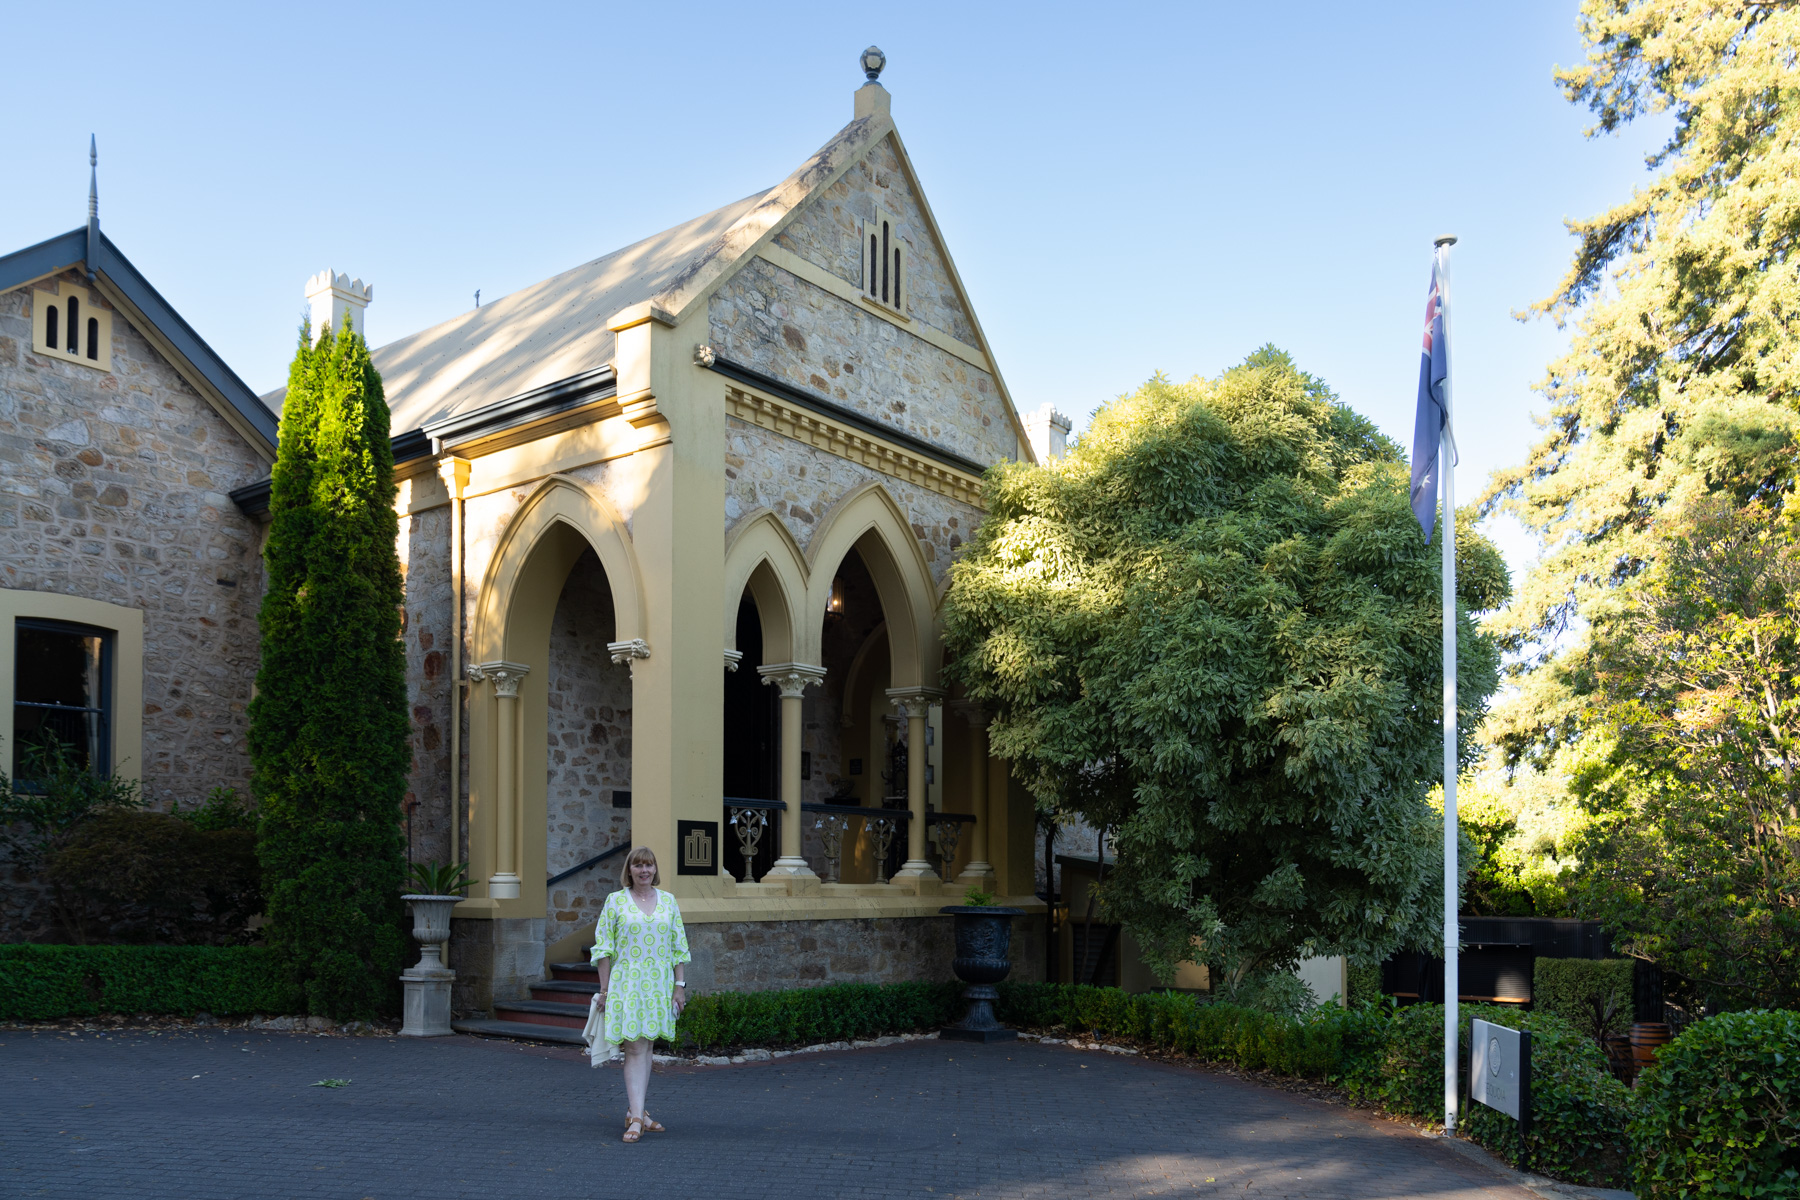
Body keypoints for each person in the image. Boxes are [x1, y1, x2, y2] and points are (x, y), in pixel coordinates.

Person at [591, 846, 690, 1142]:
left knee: (647, 1048)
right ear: (629, 871)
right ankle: (636, 1117)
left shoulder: (669, 901)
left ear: (655, 870)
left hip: (659, 985)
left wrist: (679, 986)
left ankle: (639, 1111)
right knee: (634, 1049)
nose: (644, 871)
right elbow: (603, 948)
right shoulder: (615, 901)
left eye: (649, 865)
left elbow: (678, 947)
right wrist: (605, 989)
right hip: (627, 984)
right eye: (638, 866)